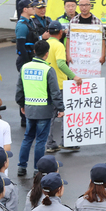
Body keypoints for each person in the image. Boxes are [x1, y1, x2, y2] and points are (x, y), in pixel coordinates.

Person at [16, 40, 65, 177]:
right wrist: (61, 108)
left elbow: (19, 89)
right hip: (44, 110)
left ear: (34, 52)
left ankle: (21, 166)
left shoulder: (25, 67)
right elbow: (55, 92)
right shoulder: (48, 70)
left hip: (29, 108)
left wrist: (22, 104)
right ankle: (38, 169)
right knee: (41, 140)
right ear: (47, 54)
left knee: (27, 138)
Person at [45, 20, 82, 153]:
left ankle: (49, 143)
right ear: (61, 32)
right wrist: (74, 76)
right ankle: (67, 141)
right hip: (59, 84)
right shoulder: (59, 45)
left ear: (49, 32)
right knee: (64, 112)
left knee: (50, 115)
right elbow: (61, 63)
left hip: (46, 84)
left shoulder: (46, 44)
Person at [70, 0, 106, 65]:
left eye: (86, 5)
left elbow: (102, 39)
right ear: (79, 6)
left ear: (90, 6)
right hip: (77, 56)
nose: (84, 8)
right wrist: (68, 55)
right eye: (81, 5)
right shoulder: (74, 21)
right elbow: (69, 38)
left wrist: (103, 55)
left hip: (93, 56)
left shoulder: (97, 21)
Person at [15, 0, 38, 72]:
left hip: (32, 57)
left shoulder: (30, 22)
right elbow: (21, 46)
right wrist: (28, 63)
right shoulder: (22, 25)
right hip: (25, 60)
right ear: (25, 9)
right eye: (31, 7)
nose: (34, 8)